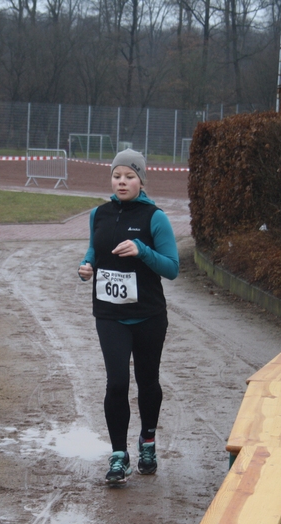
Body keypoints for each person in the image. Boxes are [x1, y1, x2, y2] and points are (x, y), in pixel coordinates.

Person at [77, 149, 179, 486]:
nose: (122, 182)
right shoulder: (99, 214)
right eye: (117, 176)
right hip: (110, 315)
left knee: (147, 382)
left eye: (129, 176)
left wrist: (142, 250)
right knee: (117, 382)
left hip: (148, 315)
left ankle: (147, 442)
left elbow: (172, 268)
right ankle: (119, 455)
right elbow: (94, 249)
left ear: (141, 181)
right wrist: (86, 266)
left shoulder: (155, 217)